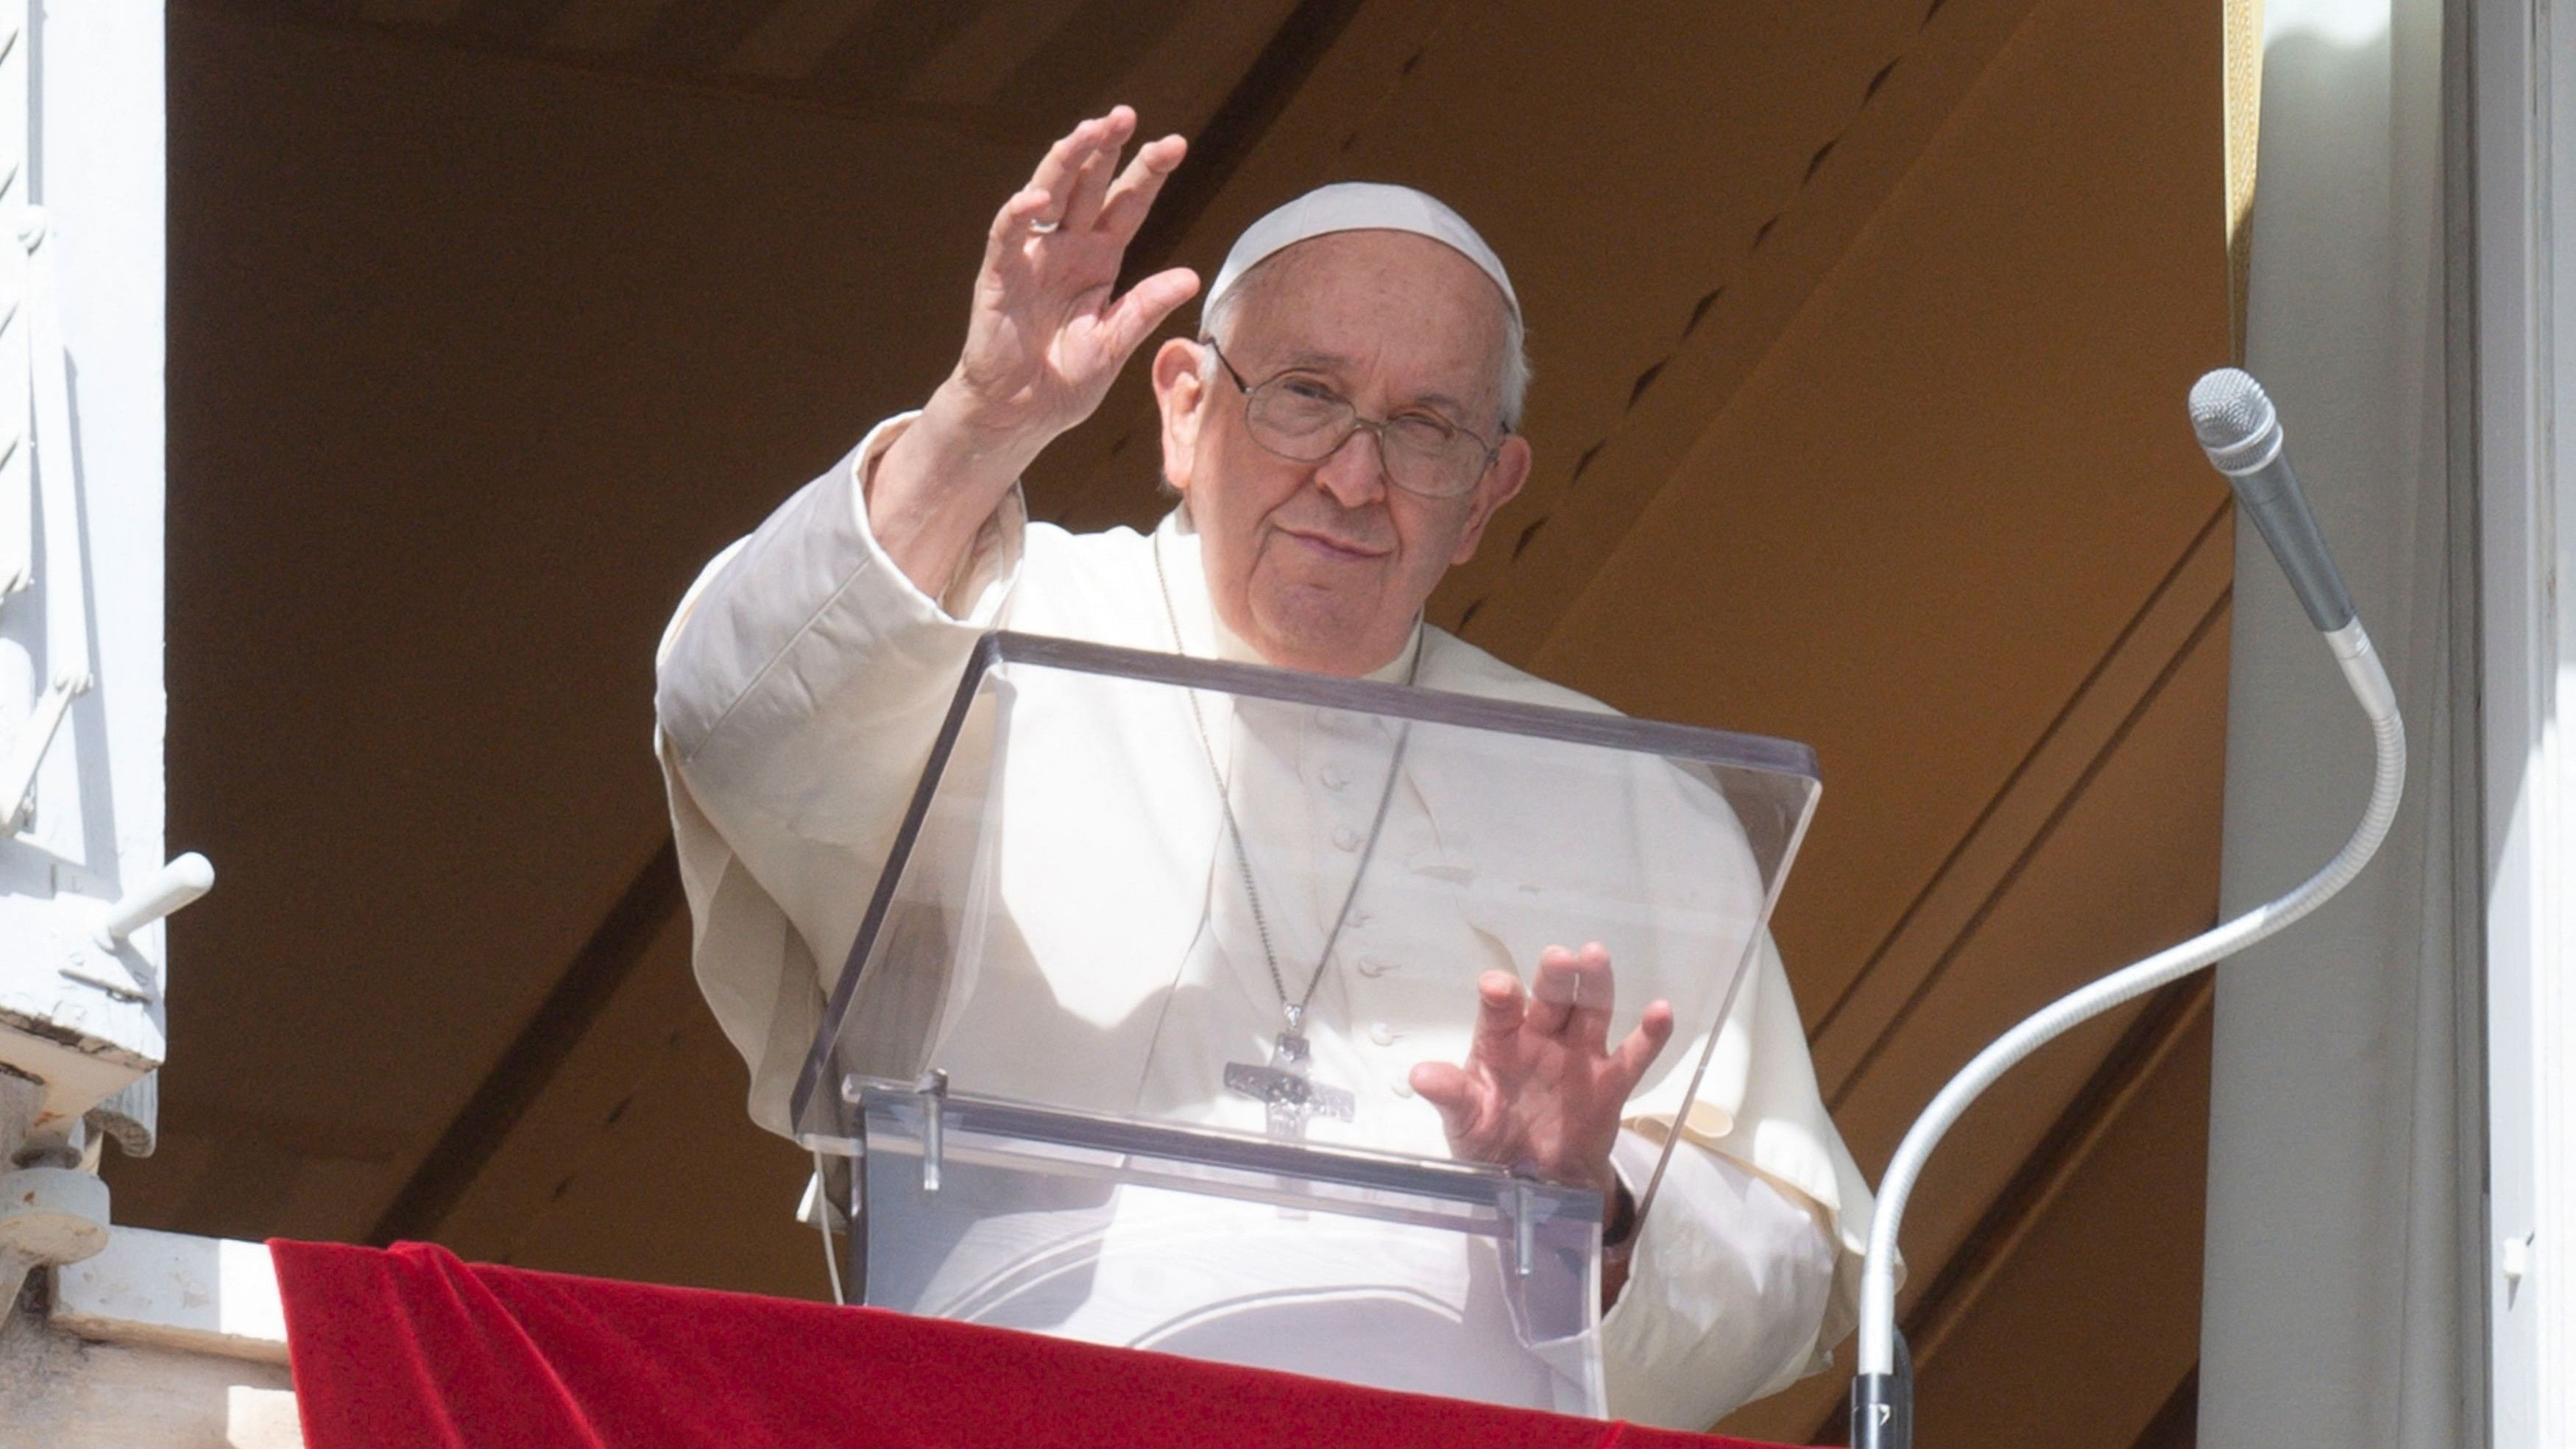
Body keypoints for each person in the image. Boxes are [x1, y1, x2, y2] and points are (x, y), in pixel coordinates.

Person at [654, 107, 1875, 1428]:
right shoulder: (985, 612)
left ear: (1488, 495)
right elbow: (737, 718)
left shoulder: (1634, 803)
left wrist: (1603, 1212)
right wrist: (978, 424)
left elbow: (1793, 1274)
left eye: (1427, 429)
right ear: (1184, 408)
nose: (1355, 477)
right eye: (1306, 395)